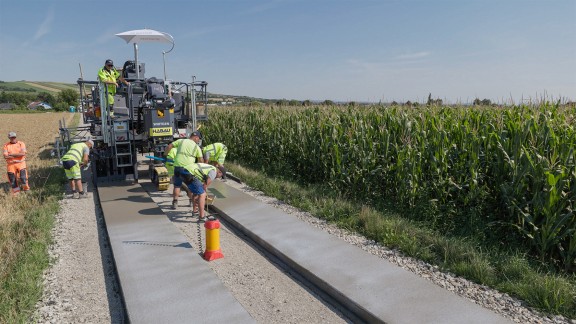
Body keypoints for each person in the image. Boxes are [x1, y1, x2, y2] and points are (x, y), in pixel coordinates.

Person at [164, 130, 204, 209]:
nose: (198, 141)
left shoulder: (181, 141)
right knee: (190, 186)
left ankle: (175, 202)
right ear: (196, 138)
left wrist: (165, 155)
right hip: (188, 169)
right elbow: (201, 160)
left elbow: (169, 146)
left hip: (177, 167)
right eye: (198, 139)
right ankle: (191, 201)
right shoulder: (197, 147)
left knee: (177, 186)